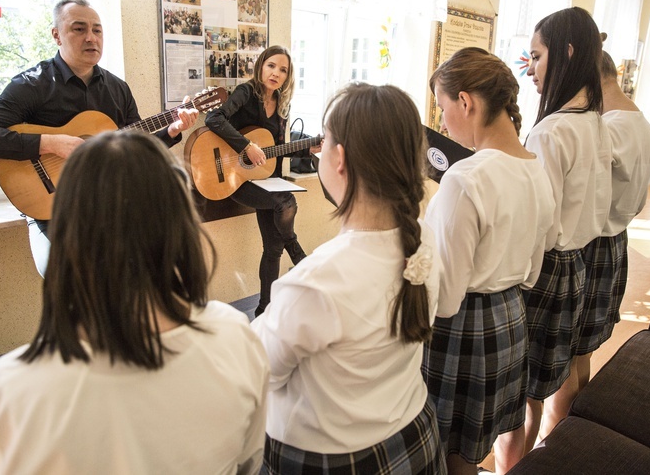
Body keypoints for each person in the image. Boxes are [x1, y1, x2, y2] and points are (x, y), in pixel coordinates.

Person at [0, 131, 270, 474]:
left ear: (68, 231)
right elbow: (249, 460)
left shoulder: (6, 392)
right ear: (181, 225)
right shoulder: (237, 337)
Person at [251, 83, 446, 474]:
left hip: (331, 458)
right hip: (413, 433)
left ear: (338, 158)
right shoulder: (424, 237)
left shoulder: (315, 282)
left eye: (324, 141)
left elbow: (256, 373)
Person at [0, 0, 199, 277]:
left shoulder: (117, 89)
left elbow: (135, 149)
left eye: (97, 30)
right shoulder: (32, 84)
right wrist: (50, 143)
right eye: (79, 29)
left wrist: (171, 130)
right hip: (53, 209)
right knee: (68, 276)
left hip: (105, 204)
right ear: (57, 35)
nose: (91, 37)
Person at [422, 47, 555, 475]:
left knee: (447, 451)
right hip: (511, 317)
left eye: (443, 107)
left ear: (466, 102)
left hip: (461, 325)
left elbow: (444, 295)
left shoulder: (467, 176)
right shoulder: (537, 168)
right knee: (477, 445)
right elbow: (534, 269)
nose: (441, 122)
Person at [523, 7, 612, 450]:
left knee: (524, 394)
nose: (532, 70)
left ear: (567, 52)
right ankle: (552, 453)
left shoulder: (551, 131)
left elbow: (536, 222)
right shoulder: (595, 121)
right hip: (578, 262)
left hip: (546, 270)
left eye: (536, 57)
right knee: (553, 376)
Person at [205, 45, 312, 317]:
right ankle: (297, 252)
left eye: (283, 70)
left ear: (288, 78)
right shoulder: (246, 92)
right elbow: (213, 118)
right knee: (286, 203)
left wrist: (308, 149)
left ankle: (265, 309)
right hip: (233, 179)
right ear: (261, 66)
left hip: (264, 182)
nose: (276, 73)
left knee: (273, 247)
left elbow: (278, 150)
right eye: (272, 65)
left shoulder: (283, 108)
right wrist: (245, 146)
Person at [573, 49, 650, 389]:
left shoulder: (608, 128)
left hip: (592, 245)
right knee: (582, 355)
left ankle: (561, 435)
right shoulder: (641, 123)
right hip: (617, 242)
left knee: (567, 361)